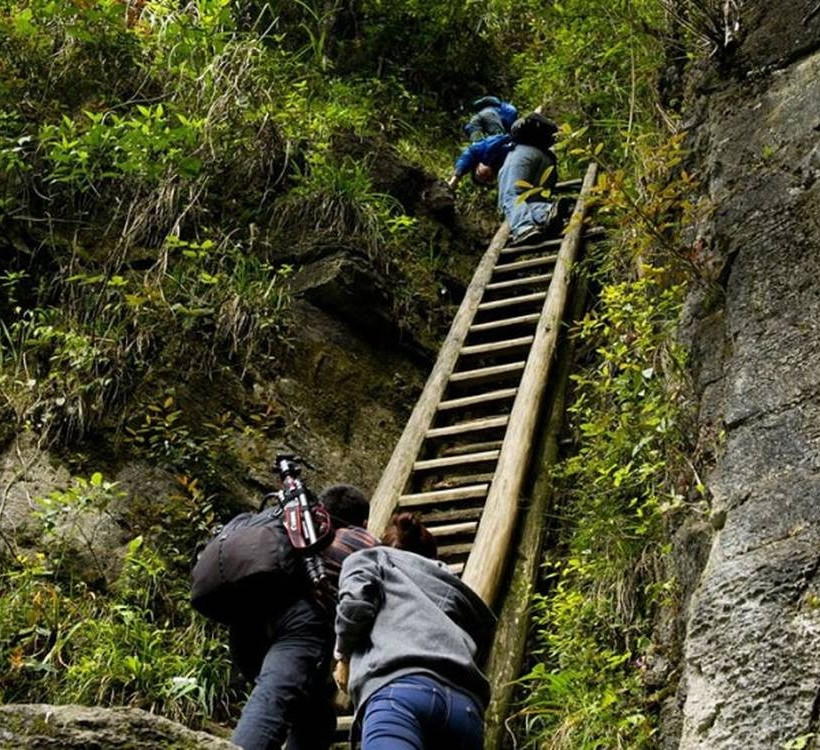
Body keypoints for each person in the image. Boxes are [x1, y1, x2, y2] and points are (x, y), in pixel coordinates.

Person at [230, 484, 380, 750]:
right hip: (301, 624)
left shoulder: (295, 530)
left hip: (248, 622)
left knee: (315, 718)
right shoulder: (361, 541)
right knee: (274, 701)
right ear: (364, 522)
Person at [333, 513, 496, 750]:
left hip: (398, 692)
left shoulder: (370, 558)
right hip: (465, 706)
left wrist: (343, 654)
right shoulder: (452, 586)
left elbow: (355, 604)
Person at [447, 113, 559, 245]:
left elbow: (468, 152)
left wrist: (455, 178)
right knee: (529, 199)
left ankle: (524, 228)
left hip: (522, 154)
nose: (487, 178)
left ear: (477, 169)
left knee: (508, 196)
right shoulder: (501, 161)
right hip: (547, 160)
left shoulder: (486, 151)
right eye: (487, 181)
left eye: (482, 177)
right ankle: (545, 212)